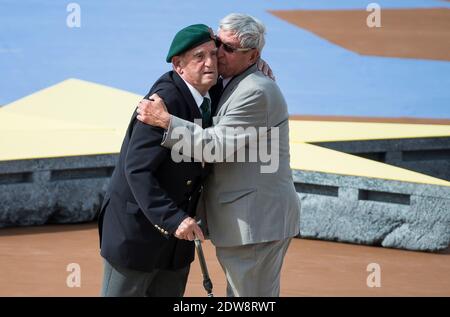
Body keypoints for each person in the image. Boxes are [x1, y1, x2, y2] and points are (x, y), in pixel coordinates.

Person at [136, 13, 301, 297]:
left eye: (228, 49)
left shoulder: (256, 91)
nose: (216, 55)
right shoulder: (234, 79)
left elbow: (214, 147)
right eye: (217, 43)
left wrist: (166, 121)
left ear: (252, 56)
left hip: (255, 225)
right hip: (245, 222)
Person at [97, 24, 218, 297]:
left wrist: (259, 65)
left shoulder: (210, 90)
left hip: (176, 242)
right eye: (199, 56)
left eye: (213, 54)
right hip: (137, 233)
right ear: (179, 65)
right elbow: (137, 170)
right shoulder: (163, 103)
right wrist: (175, 219)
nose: (210, 63)